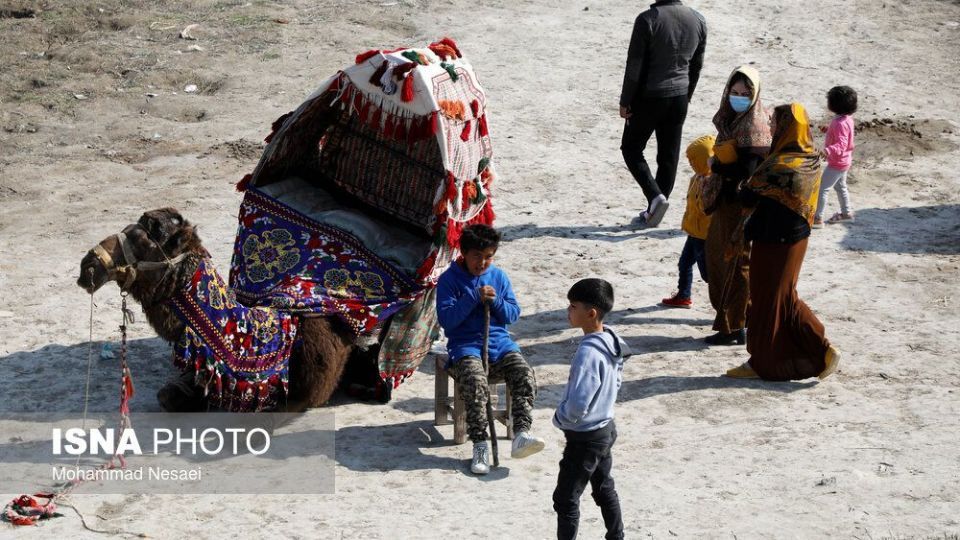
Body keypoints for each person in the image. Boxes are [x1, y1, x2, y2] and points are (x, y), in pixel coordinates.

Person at [725, 103, 841, 380]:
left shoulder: (780, 165)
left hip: (773, 241)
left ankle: (765, 362)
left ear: (787, 127)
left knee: (767, 300)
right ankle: (820, 350)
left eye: (775, 123)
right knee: (784, 296)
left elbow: (748, 196)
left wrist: (739, 180)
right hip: (796, 241)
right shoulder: (810, 158)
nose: (771, 128)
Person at [436, 224, 545, 475]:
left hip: (500, 345)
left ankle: (521, 434)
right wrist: (473, 297)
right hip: (466, 347)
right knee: (475, 383)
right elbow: (448, 320)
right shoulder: (449, 280)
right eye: (477, 256)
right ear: (464, 253)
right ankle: (480, 444)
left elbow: (512, 315)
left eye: (488, 256)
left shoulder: (499, 277)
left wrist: (495, 302)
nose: (483, 262)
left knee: (524, 374)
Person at [553, 278, 630, 540]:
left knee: (565, 499)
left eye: (573, 306)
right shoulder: (612, 339)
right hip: (605, 428)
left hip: (584, 438)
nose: (568, 311)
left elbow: (578, 403)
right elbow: (616, 381)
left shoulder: (588, 353)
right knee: (604, 487)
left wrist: (561, 417)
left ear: (591, 313)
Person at [619, 0, 707, 227]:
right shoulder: (698, 19)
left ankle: (655, 197)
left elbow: (634, 66)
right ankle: (655, 209)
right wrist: (687, 95)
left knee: (631, 148)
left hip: (649, 97)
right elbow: (696, 65)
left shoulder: (647, 20)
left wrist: (626, 101)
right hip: (680, 97)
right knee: (668, 156)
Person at [704, 66, 772, 346]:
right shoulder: (734, 119)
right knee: (720, 259)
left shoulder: (754, 126)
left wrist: (716, 166)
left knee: (734, 264)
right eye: (735, 92)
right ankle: (742, 317)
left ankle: (734, 327)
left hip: (740, 205)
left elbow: (747, 170)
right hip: (727, 201)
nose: (739, 98)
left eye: (745, 94)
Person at [662, 135, 714, 308]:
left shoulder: (710, 183)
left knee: (707, 273)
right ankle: (683, 295)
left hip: (704, 236)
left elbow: (704, 208)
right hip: (693, 231)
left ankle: (724, 298)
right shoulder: (696, 177)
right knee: (684, 263)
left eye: (694, 160)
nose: (691, 163)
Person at [813, 85, 858, 227]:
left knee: (822, 188)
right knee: (841, 187)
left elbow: (841, 144)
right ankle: (846, 213)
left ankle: (817, 218)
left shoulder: (839, 123)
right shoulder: (846, 118)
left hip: (837, 163)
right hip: (844, 161)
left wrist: (827, 151)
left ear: (833, 105)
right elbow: (843, 134)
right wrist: (829, 130)